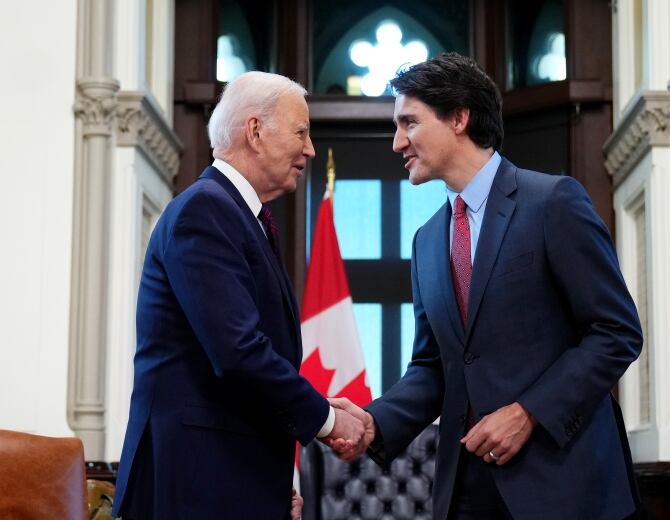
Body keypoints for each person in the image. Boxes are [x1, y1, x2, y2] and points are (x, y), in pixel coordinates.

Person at [329, 53, 643, 519]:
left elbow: (616, 332)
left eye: (409, 123)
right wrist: (375, 421)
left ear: (459, 117)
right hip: (467, 489)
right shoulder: (427, 240)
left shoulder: (554, 203)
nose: (397, 143)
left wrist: (528, 412)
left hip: (566, 485)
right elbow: (435, 368)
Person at [113, 71, 364, 520]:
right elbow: (238, 352)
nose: (309, 149)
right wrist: (327, 419)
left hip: (227, 478)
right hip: (194, 485)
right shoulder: (206, 210)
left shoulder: (240, 216)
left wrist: (276, 480)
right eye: (301, 132)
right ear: (255, 131)